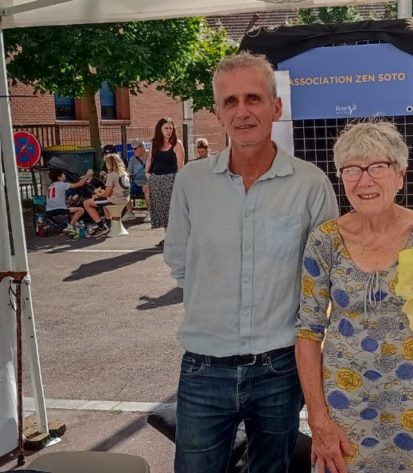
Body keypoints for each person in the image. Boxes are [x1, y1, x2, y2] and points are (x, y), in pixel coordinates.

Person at [163, 52, 339, 473]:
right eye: (230, 101)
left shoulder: (310, 184)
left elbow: (326, 275)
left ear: (276, 107)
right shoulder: (191, 182)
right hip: (204, 366)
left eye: (253, 99)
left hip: (279, 368)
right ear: (218, 112)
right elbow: (180, 261)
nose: (242, 112)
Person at [295, 121, 413, 473]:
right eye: (352, 170)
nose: (365, 180)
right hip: (344, 411)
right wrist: (318, 419)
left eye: (378, 167)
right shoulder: (325, 240)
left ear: (400, 175)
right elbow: (307, 332)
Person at [148, 117, 185, 247]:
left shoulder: (177, 144)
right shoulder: (155, 143)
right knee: (161, 210)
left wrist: (180, 183)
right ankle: (168, 236)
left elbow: (181, 166)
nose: (169, 131)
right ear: (160, 129)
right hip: (157, 180)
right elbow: (149, 161)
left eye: (171, 128)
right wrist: (148, 175)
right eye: (166, 128)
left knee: (172, 210)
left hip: (172, 180)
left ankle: (173, 237)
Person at [83, 153, 130, 237]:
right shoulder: (124, 174)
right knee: (103, 203)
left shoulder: (111, 175)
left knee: (87, 203)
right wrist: (101, 194)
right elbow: (116, 190)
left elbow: (107, 194)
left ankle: (101, 227)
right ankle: (109, 225)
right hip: (125, 199)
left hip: (115, 200)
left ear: (109, 164)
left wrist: (97, 193)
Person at [46, 168, 88, 233]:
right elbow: (79, 184)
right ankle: (70, 226)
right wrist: (87, 176)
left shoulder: (50, 187)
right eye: (63, 174)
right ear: (59, 177)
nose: (65, 175)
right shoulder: (62, 184)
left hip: (49, 211)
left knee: (69, 209)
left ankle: (71, 225)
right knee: (80, 210)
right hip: (59, 211)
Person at [124, 139, 149, 221]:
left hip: (148, 182)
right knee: (125, 189)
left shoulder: (150, 156)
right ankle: (130, 213)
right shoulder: (133, 159)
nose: (133, 151)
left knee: (147, 189)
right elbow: (129, 171)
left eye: (135, 149)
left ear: (142, 147)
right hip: (136, 183)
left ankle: (150, 213)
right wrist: (125, 177)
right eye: (133, 149)